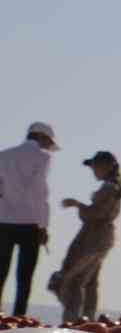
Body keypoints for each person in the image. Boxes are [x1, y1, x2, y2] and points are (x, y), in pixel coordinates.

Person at [48, 150, 121, 323]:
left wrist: (77, 204)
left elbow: (96, 214)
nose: (94, 171)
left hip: (94, 238)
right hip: (100, 237)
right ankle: (87, 321)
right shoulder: (113, 186)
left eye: (95, 167)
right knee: (90, 281)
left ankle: (72, 321)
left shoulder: (109, 187)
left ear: (105, 167)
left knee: (75, 279)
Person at [0, 122, 57, 316]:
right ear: (42, 137)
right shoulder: (43, 158)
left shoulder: (4, 155)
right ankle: (18, 318)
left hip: (3, 221)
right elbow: (38, 193)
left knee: (0, 272)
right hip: (30, 223)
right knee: (24, 277)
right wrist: (43, 226)